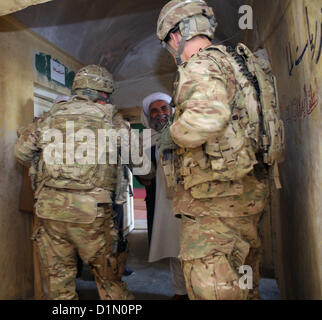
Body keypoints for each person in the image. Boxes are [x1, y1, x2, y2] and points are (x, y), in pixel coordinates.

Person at [156, 0, 269, 300]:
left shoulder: (200, 65)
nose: (169, 50)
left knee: (213, 288)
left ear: (176, 35)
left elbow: (207, 117)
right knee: (244, 284)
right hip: (244, 197)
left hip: (213, 206)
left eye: (167, 43)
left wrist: (173, 136)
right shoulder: (237, 63)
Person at [14, 65, 134, 300]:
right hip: (92, 214)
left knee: (59, 283)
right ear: (104, 93)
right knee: (109, 280)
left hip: (50, 212)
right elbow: (135, 156)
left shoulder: (48, 117)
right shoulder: (112, 120)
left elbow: (21, 154)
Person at [139, 92, 188, 300]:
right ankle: (180, 291)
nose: (160, 114)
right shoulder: (145, 139)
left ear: (172, 110)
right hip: (162, 202)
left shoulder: (186, 131)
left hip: (189, 199)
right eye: (154, 111)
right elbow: (144, 175)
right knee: (173, 247)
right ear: (148, 116)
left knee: (191, 247)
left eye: (164, 108)